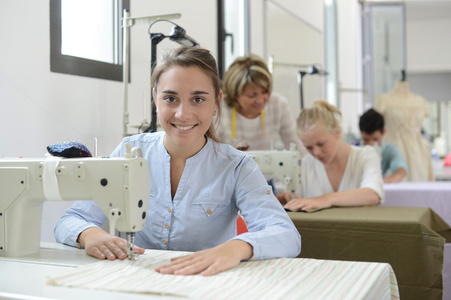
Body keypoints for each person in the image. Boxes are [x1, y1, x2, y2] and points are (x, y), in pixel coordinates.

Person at [54, 47, 301, 276]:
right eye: (170, 99)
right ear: (155, 98)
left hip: (205, 286)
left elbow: (287, 235)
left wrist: (237, 247)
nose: (182, 114)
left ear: (216, 103)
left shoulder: (237, 167)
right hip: (137, 282)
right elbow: (70, 220)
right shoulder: (129, 151)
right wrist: (90, 234)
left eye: (198, 99)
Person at [277, 100, 384, 212]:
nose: (316, 152)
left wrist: (325, 199)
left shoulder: (366, 156)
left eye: (321, 144)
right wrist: (290, 199)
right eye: (308, 147)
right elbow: (295, 198)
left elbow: (373, 194)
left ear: (337, 132)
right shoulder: (304, 164)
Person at [215, 54, 305, 154]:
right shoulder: (219, 109)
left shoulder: (278, 105)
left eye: (265, 92)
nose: (260, 100)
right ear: (235, 94)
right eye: (252, 95)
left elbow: (298, 148)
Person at [374, 81, 433, 181]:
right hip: (394, 143)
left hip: (417, 149)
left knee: (419, 180)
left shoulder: (420, 101)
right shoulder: (383, 99)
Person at [359, 108, 408, 183]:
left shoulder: (390, 150)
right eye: (366, 140)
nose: (371, 144)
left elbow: (401, 170)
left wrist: (392, 178)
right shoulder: (354, 150)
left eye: (375, 139)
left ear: (384, 132)